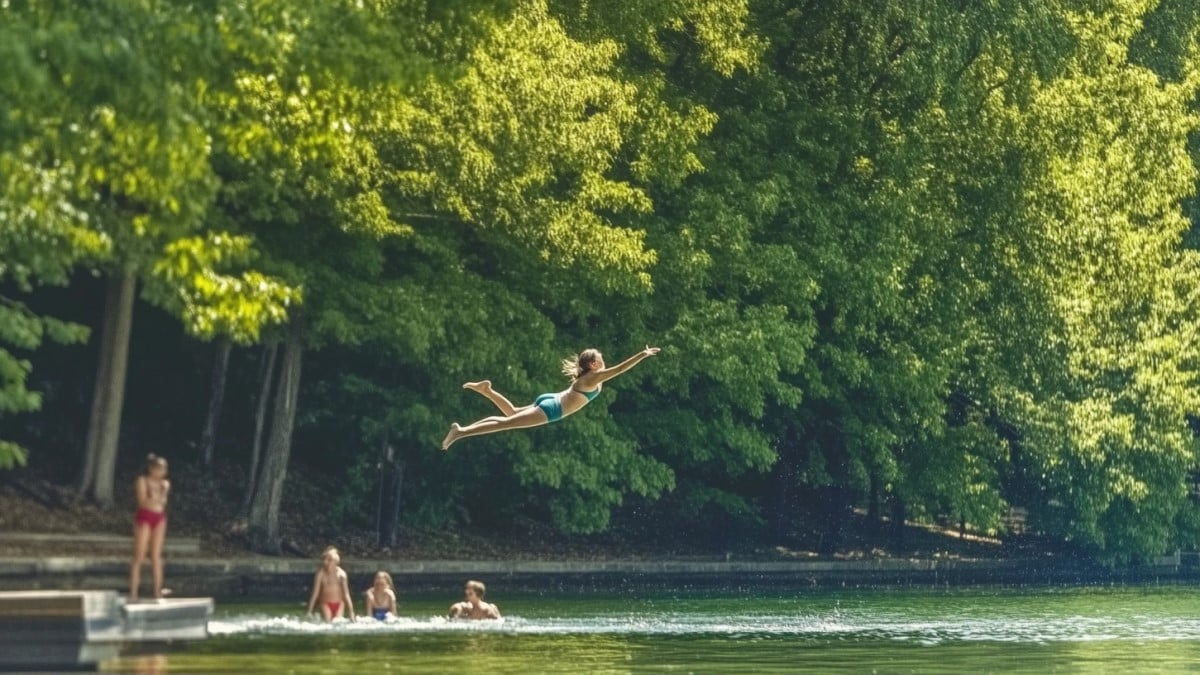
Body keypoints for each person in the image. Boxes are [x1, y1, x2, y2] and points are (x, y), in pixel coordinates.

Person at [441, 345, 661, 450]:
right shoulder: (593, 377)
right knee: (507, 423)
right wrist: (643, 354)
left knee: (512, 414)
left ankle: (487, 391)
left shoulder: (588, 377)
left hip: (551, 400)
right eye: (600, 359)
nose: (604, 361)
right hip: (553, 409)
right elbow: (621, 369)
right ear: (593, 364)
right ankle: (461, 431)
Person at [129, 454, 170, 602]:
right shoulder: (142, 480)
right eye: (159, 468)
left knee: (156, 556)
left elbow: (162, 503)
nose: (162, 472)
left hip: (159, 518)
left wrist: (161, 493)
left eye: (164, 469)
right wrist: (154, 499)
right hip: (145, 517)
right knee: (139, 555)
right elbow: (143, 502)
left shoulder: (165, 484)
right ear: (151, 469)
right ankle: (133, 593)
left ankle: (157, 592)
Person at [306, 546, 356, 621]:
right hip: (325, 603)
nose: (326, 562)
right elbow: (315, 593)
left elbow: (346, 594)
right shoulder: (321, 574)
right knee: (328, 621)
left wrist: (351, 612)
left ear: (336, 562)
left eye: (329, 560)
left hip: (339, 604)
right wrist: (309, 611)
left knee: (337, 622)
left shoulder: (342, 574)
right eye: (325, 559)